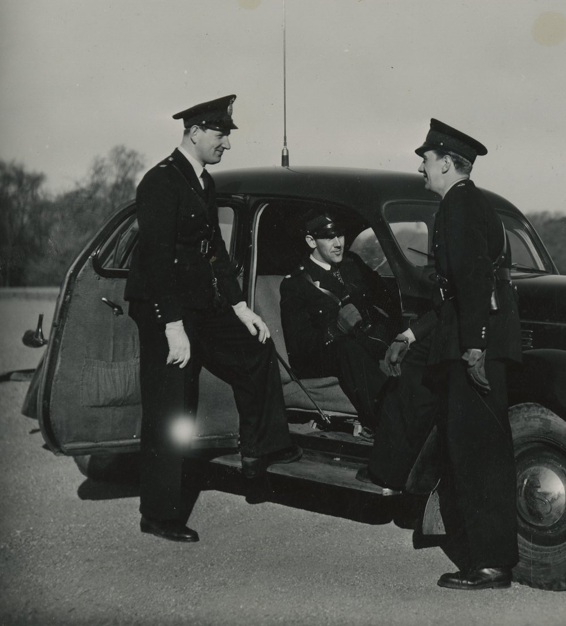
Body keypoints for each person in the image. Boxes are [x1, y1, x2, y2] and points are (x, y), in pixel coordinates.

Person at [124, 94, 301, 544]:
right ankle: (159, 513)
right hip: (167, 311)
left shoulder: (203, 182)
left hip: (203, 306)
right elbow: (158, 257)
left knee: (256, 352)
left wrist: (241, 306)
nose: (226, 143)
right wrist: (172, 325)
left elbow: (215, 250)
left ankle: (260, 455)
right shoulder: (160, 182)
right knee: (171, 410)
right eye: (221, 134)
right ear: (195, 132)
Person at [366, 119, 522, 591]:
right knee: (477, 454)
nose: (421, 166)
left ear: (449, 164)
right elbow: (454, 296)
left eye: (428, 159)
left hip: (472, 351)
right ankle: (490, 558)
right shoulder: (473, 204)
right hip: (474, 343)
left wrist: (473, 347)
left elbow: (473, 283)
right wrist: (413, 335)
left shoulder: (458, 208)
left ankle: (490, 565)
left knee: (476, 458)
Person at [279, 212, 401, 430]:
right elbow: (299, 346)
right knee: (348, 348)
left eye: (340, 235)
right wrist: (335, 329)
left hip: (363, 343)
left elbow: (386, 301)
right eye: (328, 237)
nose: (338, 244)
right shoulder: (296, 284)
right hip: (324, 356)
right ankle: (387, 422)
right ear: (310, 242)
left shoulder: (352, 265)